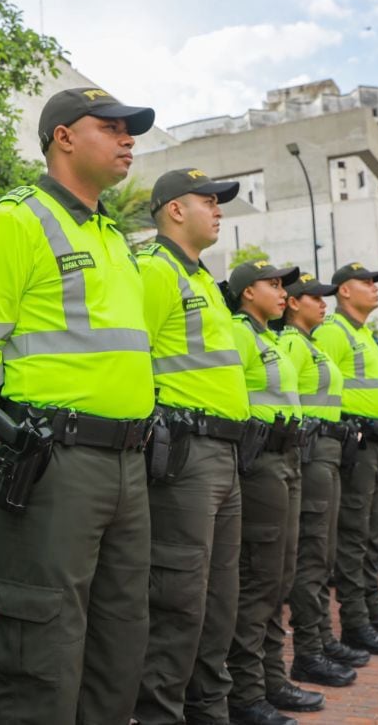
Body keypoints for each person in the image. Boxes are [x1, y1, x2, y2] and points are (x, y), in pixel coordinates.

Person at [0, 87, 156, 725]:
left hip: (126, 460)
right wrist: (14, 427)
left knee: (120, 631)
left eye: (131, 131)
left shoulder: (112, 236)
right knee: (43, 639)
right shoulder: (17, 219)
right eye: (111, 127)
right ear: (63, 136)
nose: (128, 140)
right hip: (55, 459)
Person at [132, 168, 248, 725]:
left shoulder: (203, 280)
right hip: (185, 455)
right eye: (210, 201)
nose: (219, 210)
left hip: (224, 454)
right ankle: (159, 713)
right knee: (178, 597)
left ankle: (210, 709)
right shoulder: (155, 273)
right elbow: (133, 363)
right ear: (175, 210)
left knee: (220, 598)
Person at [222, 260, 323, 724]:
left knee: (280, 575)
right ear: (247, 292)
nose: (283, 292)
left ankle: (272, 679)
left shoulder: (271, 339)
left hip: (288, 459)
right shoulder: (239, 333)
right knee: (259, 578)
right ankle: (246, 692)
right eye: (272, 284)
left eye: (284, 285)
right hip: (259, 462)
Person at [313, 263, 378, 658]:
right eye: (365, 283)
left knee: (372, 533)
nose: (374, 289)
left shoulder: (364, 334)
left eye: (376, 283)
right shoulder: (333, 332)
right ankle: (355, 623)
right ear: (343, 292)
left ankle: (372, 611)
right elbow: (318, 388)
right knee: (353, 535)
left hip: (375, 445)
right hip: (352, 444)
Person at [278, 274, 365, 689]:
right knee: (312, 553)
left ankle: (323, 640)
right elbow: (283, 399)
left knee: (324, 552)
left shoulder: (310, 343)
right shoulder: (292, 344)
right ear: (293, 303)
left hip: (327, 453)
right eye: (314, 298)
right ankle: (309, 652)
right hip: (311, 455)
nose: (322, 304)